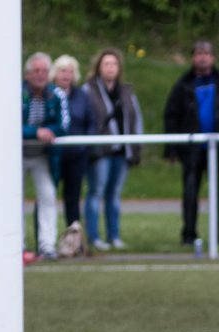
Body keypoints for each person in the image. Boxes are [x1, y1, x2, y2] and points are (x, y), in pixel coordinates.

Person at [163, 40, 219, 250]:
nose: (202, 57)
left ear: (213, 57)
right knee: (190, 194)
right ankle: (188, 234)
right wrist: (172, 147)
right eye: (198, 53)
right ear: (193, 57)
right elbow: (171, 116)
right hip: (191, 151)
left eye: (207, 53)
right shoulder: (183, 84)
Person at [84, 48, 144, 252]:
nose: (110, 68)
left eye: (114, 64)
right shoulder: (89, 90)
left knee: (114, 194)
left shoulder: (126, 91)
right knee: (96, 192)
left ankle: (114, 235)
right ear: (98, 68)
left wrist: (136, 146)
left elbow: (136, 119)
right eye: (106, 64)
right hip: (100, 152)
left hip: (122, 152)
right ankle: (94, 237)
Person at [22, 51, 69, 261]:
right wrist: (35, 132)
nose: (40, 75)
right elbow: (5, 124)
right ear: (28, 74)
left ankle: (47, 245)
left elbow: (64, 125)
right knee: (14, 199)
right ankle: (16, 245)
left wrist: (48, 131)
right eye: (36, 71)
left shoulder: (56, 95)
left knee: (48, 195)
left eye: (44, 71)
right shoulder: (15, 92)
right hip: (16, 155)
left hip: (43, 155)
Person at [51, 54, 93, 230]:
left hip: (76, 154)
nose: (66, 75)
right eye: (62, 71)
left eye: (70, 71)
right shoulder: (48, 93)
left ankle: (73, 237)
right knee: (47, 196)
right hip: (52, 154)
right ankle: (45, 239)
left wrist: (85, 145)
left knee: (73, 198)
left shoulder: (81, 95)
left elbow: (90, 121)